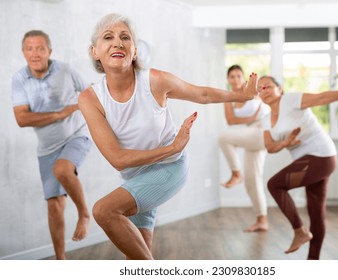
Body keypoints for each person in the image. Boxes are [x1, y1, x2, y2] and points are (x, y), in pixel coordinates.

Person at [78, 13, 258, 260]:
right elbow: (118, 159)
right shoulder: (90, 99)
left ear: (135, 51)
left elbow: (201, 94)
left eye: (125, 38)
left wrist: (241, 96)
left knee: (104, 211)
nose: (117, 43)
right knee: (138, 255)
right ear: (95, 51)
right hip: (137, 175)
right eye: (108, 37)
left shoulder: (154, 81)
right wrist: (171, 147)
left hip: (169, 169)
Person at [258, 73, 338, 260]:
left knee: (274, 184)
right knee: (316, 212)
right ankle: (313, 262)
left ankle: (299, 231)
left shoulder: (290, 100)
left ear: (279, 88)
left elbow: (322, 97)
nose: (264, 90)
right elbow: (269, 147)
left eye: (267, 85)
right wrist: (285, 143)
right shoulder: (266, 120)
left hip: (321, 154)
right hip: (308, 160)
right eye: (260, 89)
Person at [11, 30, 92, 260]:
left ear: (49, 51)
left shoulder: (65, 70)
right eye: (29, 48)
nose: (35, 53)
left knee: (62, 169)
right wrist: (60, 113)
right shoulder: (19, 79)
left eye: (40, 48)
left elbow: (91, 93)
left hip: (76, 135)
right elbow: (21, 118)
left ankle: (84, 214)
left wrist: (85, 111)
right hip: (46, 148)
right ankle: (60, 262)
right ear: (23, 52)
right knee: (55, 207)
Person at [218, 65, 270, 232]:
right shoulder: (228, 97)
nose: (235, 79)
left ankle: (236, 173)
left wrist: (256, 117)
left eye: (238, 76)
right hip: (251, 132)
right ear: (228, 80)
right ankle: (262, 220)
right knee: (252, 180)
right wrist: (252, 117)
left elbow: (268, 101)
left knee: (223, 137)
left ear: (243, 77)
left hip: (263, 130)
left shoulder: (251, 90)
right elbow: (230, 120)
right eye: (232, 76)